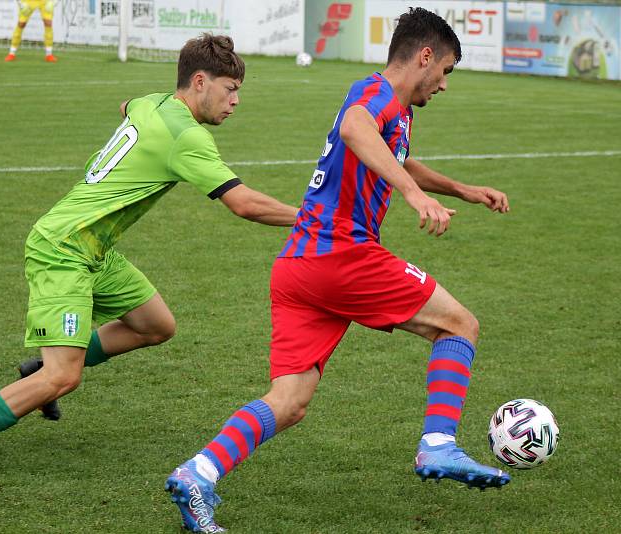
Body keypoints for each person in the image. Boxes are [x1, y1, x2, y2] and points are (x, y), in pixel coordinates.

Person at [165, 8, 511, 532]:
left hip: (298, 266)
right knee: (459, 324)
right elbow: (355, 129)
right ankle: (438, 444)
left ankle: (199, 472)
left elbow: (397, 156)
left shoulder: (393, 109)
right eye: (445, 71)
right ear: (424, 57)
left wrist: (461, 189)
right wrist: (414, 197)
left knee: (290, 401)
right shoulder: (373, 95)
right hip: (341, 253)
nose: (443, 85)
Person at [0, 34, 299, 481]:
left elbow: (126, 106)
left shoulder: (153, 102)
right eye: (230, 88)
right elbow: (244, 204)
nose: (236, 100)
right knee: (65, 377)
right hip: (63, 247)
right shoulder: (187, 137)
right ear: (200, 81)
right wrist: (314, 219)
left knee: (157, 325)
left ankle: (40, 370)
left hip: (94, 249)